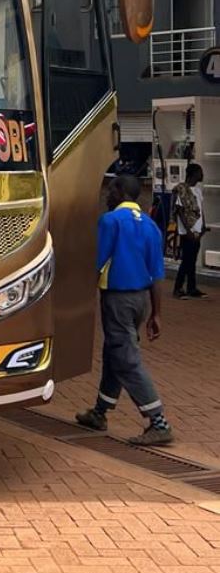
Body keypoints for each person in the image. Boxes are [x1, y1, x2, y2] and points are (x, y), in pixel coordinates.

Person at [76, 174, 173, 446]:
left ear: (120, 191)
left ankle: (158, 421)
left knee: (126, 359)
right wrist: (156, 314)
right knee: (114, 353)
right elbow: (157, 274)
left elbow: (97, 262)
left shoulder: (110, 221)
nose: (107, 195)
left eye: (110, 189)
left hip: (118, 299)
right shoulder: (152, 226)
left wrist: (82, 302)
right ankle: (100, 412)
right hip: (141, 300)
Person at [172, 162, 207, 299]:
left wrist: (203, 225)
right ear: (194, 174)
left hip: (198, 229)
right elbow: (179, 211)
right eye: (200, 172)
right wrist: (188, 230)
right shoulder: (182, 189)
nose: (202, 175)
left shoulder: (198, 190)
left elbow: (200, 208)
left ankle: (192, 288)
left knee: (192, 260)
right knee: (186, 260)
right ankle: (178, 288)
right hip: (188, 232)